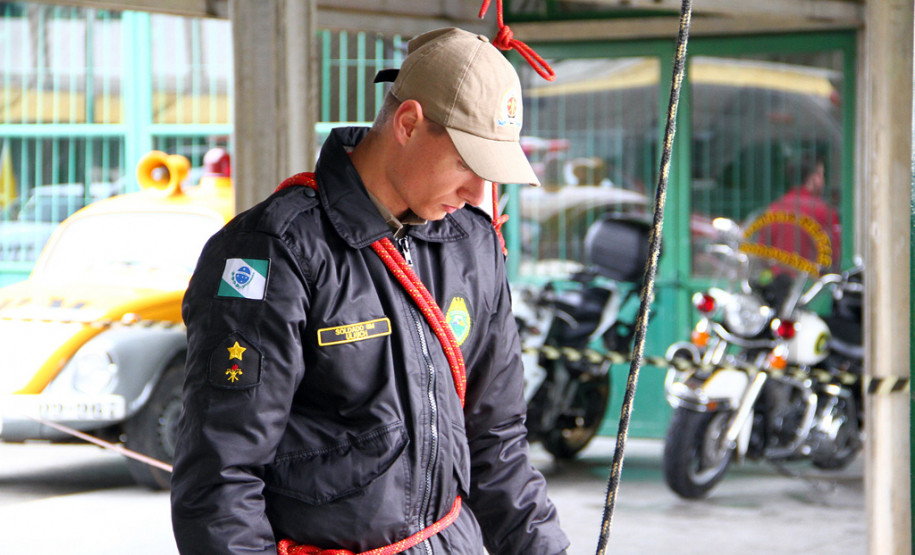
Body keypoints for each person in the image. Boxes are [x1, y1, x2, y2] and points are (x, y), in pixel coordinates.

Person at [171, 27, 571, 555]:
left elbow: (497, 442)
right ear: (408, 124)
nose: (479, 192)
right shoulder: (274, 249)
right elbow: (220, 476)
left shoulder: (472, 245)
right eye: (468, 164)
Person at [760, 155, 842, 273]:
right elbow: (835, 254)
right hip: (811, 284)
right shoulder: (825, 211)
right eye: (821, 175)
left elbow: (762, 251)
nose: (823, 181)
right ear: (813, 178)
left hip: (778, 282)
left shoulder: (774, 208)